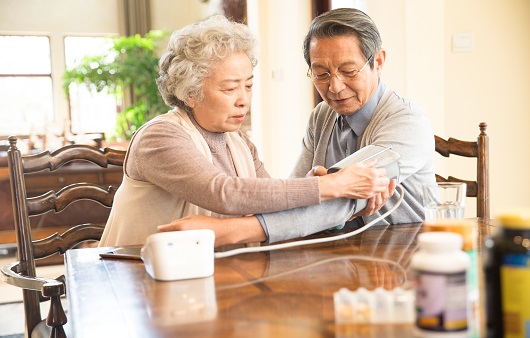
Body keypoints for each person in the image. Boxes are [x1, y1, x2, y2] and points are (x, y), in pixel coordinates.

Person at [99, 14, 393, 247]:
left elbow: (270, 204)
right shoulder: (160, 137)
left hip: (200, 278)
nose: (244, 99)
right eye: (230, 88)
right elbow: (224, 193)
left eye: (249, 85)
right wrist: (333, 186)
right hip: (133, 281)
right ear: (190, 92)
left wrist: (347, 206)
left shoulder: (239, 142)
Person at [158, 8, 436, 246]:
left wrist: (230, 232)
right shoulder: (322, 115)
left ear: (377, 62)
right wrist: (320, 185)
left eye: (348, 71)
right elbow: (293, 192)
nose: (335, 87)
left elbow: (353, 192)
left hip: (404, 253)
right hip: (339, 252)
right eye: (321, 74)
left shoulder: (406, 121)